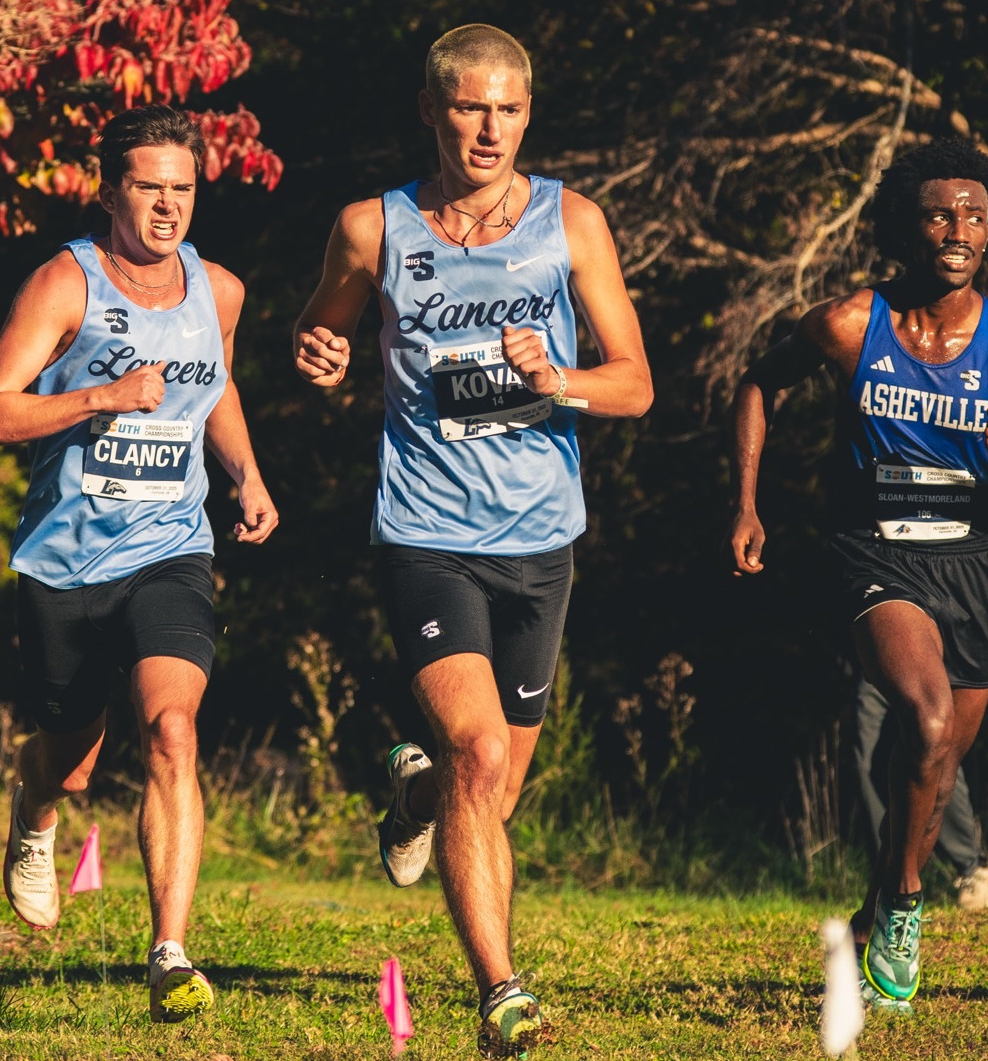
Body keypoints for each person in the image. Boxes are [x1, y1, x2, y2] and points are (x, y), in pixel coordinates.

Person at [293, 24, 652, 1057]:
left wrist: (560, 381)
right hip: (425, 527)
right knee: (480, 747)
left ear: (527, 114)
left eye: (507, 109)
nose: (488, 129)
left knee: (489, 793)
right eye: (467, 108)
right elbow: (319, 336)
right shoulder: (373, 228)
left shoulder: (571, 222)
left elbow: (635, 380)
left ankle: (416, 793)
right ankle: (501, 990)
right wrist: (317, 357)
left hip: (541, 535)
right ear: (430, 111)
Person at [728, 137, 988, 1007]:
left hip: (973, 564)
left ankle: (882, 894)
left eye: (977, 216)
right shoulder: (849, 325)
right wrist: (747, 504)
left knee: (939, 761)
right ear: (907, 225)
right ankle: (909, 902)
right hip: (873, 553)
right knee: (925, 712)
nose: (961, 229)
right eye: (942, 213)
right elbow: (759, 383)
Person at [0, 104, 277, 1025]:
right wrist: (101, 396)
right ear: (109, 191)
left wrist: (247, 474)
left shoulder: (217, 290)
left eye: (182, 189)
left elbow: (213, 390)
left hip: (170, 546)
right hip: (64, 560)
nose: (167, 206)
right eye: (149, 186)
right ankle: (34, 810)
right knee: (70, 755)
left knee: (173, 728)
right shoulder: (65, 284)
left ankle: (169, 951)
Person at [851, 678, 988, 911]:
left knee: (931, 751)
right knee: (866, 759)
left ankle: (973, 868)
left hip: (926, 652)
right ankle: (887, 879)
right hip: (873, 655)